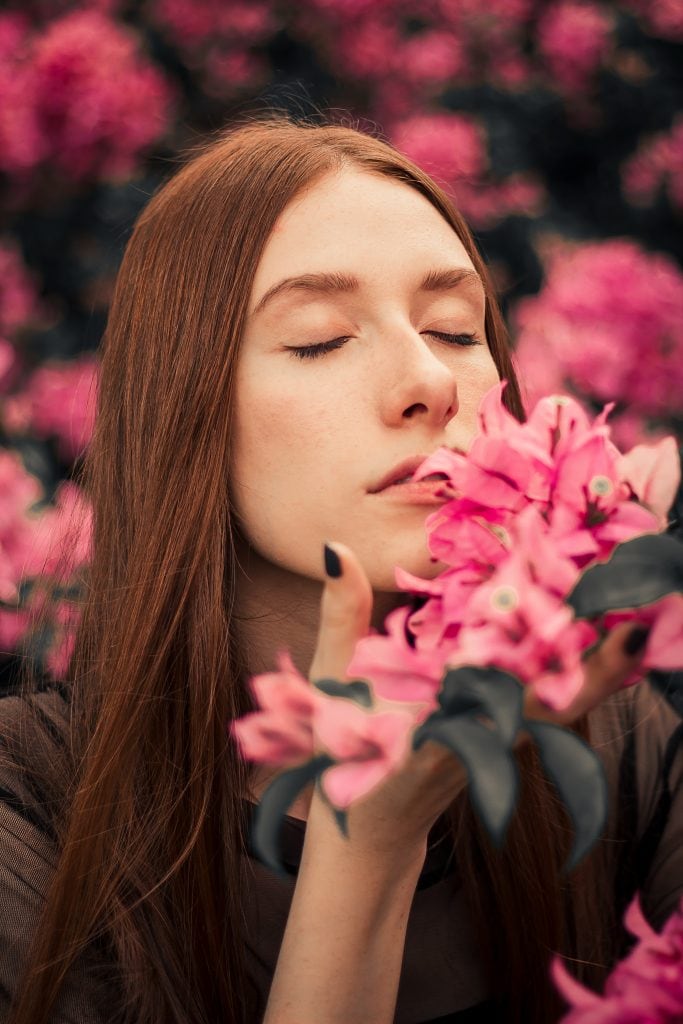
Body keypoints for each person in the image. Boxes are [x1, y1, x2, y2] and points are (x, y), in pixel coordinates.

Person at [0, 114, 680, 1024]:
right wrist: (369, 851)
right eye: (319, 338)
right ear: (181, 416)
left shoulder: (616, 737)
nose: (428, 382)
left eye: (452, 327)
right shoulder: (30, 811)